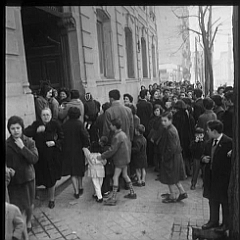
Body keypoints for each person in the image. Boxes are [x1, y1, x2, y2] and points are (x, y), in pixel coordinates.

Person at [24, 108, 63, 209]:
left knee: (51, 178)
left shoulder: (56, 124)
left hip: (52, 157)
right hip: (39, 157)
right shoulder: (37, 124)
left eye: (47, 115)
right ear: (41, 116)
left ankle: (51, 199)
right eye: (44, 115)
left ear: (51, 115)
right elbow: (26, 132)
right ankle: (38, 195)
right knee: (39, 177)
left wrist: (54, 143)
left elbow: (63, 138)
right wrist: (36, 130)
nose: (45, 117)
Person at [6, 116, 38, 232]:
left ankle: (28, 222)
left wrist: (23, 148)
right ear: (9, 130)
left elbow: (34, 159)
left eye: (18, 128)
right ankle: (21, 227)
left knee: (29, 204)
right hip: (14, 181)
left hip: (27, 178)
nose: (16, 131)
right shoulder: (7, 144)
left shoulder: (29, 142)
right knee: (17, 206)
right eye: (12, 128)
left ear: (22, 128)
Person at [201, 120, 232, 232]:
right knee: (212, 200)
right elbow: (203, 155)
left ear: (214, 131)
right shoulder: (208, 143)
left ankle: (225, 223)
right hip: (211, 177)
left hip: (223, 178)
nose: (206, 132)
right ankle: (213, 221)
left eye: (208, 130)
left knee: (224, 201)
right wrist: (203, 159)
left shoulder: (229, 142)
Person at [98, 118, 137, 206]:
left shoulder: (116, 136)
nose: (110, 126)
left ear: (115, 126)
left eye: (111, 125)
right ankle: (132, 192)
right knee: (125, 175)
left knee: (115, 177)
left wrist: (102, 156)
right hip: (125, 159)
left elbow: (112, 150)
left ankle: (114, 198)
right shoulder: (123, 134)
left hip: (119, 160)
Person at [159, 111, 188, 203]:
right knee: (174, 176)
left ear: (170, 120)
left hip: (171, 157)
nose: (163, 123)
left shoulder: (170, 131)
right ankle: (182, 192)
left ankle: (172, 196)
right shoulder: (171, 129)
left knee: (170, 177)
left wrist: (165, 157)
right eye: (162, 120)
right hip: (175, 156)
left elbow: (171, 147)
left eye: (165, 120)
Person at [61, 107, 90, 199]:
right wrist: (86, 145)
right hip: (79, 150)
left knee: (72, 171)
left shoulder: (64, 125)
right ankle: (80, 186)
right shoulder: (79, 124)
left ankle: (76, 191)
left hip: (68, 150)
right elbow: (85, 136)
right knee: (79, 169)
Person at [172, 100, 195, 176]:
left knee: (180, 155)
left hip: (179, 138)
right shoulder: (188, 115)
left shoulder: (176, 117)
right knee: (187, 156)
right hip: (187, 138)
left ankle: (182, 172)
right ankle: (188, 171)